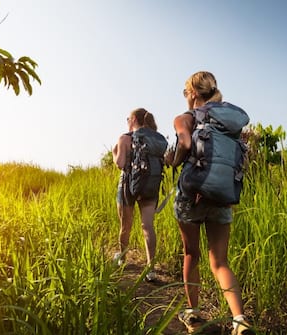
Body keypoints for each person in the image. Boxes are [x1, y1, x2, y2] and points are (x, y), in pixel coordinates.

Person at [164, 71, 255, 335]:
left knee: (192, 254)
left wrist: (174, 160)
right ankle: (239, 319)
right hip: (222, 195)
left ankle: (193, 315)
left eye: (185, 93)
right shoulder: (228, 122)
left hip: (192, 195)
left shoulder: (186, 118)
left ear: (192, 93)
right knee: (220, 262)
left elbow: (184, 142)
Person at [112, 107, 166, 282]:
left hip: (128, 184)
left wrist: (114, 154)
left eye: (128, 118)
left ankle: (122, 257)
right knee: (148, 226)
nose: (127, 121)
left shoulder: (125, 138)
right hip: (150, 184)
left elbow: (120, 163)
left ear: (134, 119)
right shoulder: (154, 139)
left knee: (125, 225)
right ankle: (151, 269)